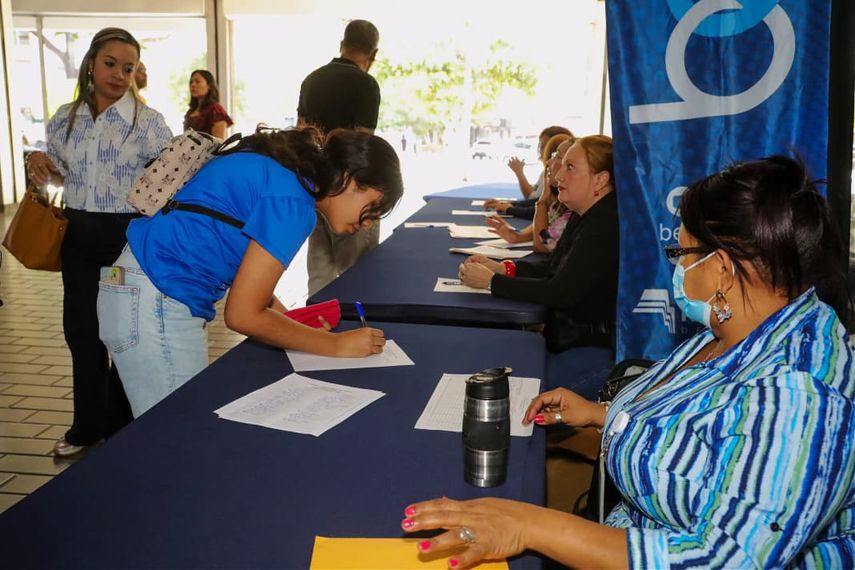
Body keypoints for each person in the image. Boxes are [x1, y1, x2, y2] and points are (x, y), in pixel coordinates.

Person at [402, 155, 855, 569]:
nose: (677, 269)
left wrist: (530, 526)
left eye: (681, 254)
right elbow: (699, 427)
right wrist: (601, 414)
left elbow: (726, 559)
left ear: (722, 267)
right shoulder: (737, 328)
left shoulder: (800, 394)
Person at [97, 126, 404, 417]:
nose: (369, 223)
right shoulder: (294, 202)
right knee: (180, 437)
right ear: (352, 180)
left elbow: (253, 286)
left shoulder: (286, 176)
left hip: (141, 290)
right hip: (156, 300)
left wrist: (298, 328)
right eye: (374, 207)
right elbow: (243, 314)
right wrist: (335, 345)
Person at [25, 28, 173, 456]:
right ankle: (86, 427)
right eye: (110, 64)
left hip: (125, 238)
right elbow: (60, 174)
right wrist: (39, 161)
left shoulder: (148, 122)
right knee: (82, 332)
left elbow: (170, 178)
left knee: (122, 331)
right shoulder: (65, 117)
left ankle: (121, 423)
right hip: (77, 235)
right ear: (91, 63)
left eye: (128, 68)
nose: (119, 75)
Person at [459, 135, 618, 399]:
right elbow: (553, 267)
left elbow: (561, 291)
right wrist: (502, 268)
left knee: (512, 397)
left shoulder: (605, 223)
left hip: (593, 352)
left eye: (570, 167)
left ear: (600, 180)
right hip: (568, 340)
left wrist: (491, 282)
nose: (559, 175)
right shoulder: (587, 214)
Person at [296, 19, 383, 296]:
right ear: (373, 54)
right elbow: (362, 141)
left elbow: (300, 132)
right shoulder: (366, 84)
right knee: (356, 272)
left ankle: (317, 318)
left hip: (316, 185)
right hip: (350, 191)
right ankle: (354, 321)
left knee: (319, 268)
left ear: (342, 44)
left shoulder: (312, 79)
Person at [485, 133, 574, 253]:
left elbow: (541, 246)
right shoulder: (559, 203)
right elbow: (549, 223)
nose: (548, 161)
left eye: (556, 156)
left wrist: (542, 201)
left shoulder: (573, 210)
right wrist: (518, 236)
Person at [485, 125, 572, 216]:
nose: (541, 150)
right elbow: (536, 201)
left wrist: (510, 208)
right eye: (540, 146)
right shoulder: (546, 174)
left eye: (556, 156)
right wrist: (510, 205)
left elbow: (535, 202)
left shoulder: (567, 205)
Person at [183, 69, 233, 139]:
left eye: (197, 82)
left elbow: (218, 142)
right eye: (191, 82)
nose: (193, 85)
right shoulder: (191, 111)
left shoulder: (216, 110)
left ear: (209, 86)